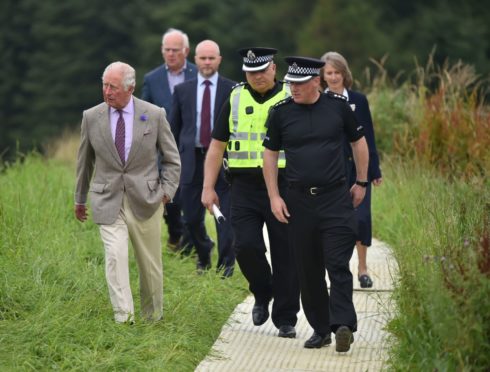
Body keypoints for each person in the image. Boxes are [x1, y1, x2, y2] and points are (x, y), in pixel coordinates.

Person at [262, 56, 369, 352]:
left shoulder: (338, 108)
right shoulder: (280, 113)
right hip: (298, 201)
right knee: (308, 270)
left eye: (298, 84)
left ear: (316, 82)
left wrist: (361, 182)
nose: (292, 88)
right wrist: (274, 195)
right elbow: (269, 154)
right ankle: (321, 329)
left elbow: (359, 143)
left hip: (335, 198)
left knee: (336, 263)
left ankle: (342, 324)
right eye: (290, 83)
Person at [202, 47, 300, 338]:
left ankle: (286, 318)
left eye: (262, 70)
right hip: (243, 188)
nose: (256, 76)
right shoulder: (234, 96)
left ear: (273, 69)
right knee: (244, 245)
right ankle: (261, 291)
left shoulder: (289, 97)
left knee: (286, 254)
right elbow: (217, 145)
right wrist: (208, 187)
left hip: (284, 186)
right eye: (251, 72)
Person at [74, 62, 181, 323]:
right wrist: (79, 198)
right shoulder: (91, 116)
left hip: (147, 200)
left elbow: (172, 158)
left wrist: (166, 192)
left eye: (113, 87)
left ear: (130, 88)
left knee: (150, 265)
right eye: (104, 85)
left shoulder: (154, 114)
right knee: (115, 256)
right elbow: (83, 161)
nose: (107, 92)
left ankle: (152, 317)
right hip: (107, 199)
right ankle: (124, 318)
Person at [170, 40, 235, 277]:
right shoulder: (182, 91)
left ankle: (226, 267)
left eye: (211, 58)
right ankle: (204, 253)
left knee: (225, 217)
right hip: (192, 162)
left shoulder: (232, 89)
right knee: (191, 219)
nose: (207, 62)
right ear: (195, 60)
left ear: (219, 60)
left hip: (223, 161)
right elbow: (172, 131)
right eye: (202, 58)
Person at [320, 51, 383, 288]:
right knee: (334, 221)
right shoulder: (319, 100)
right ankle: (337, 269)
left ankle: (363, 268)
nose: (334, 77)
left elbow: (368, 137)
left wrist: (373, 170)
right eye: (329, 73)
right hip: (330, 170)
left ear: (344, 74)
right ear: (323, 75)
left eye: (337, 72)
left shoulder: (359, 100)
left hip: (358, 169)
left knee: (361, 219)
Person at [141, 28, 196, 253]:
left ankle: (192, 245)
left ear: (186, 51)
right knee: (170, 197)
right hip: (163, 148)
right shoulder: (152, 79)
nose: (171, 54)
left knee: (190, 195)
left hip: (193, 145)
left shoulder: (198, 73)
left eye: (175, 50)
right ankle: (175, 234)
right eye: (167, 50)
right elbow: (142, 110)